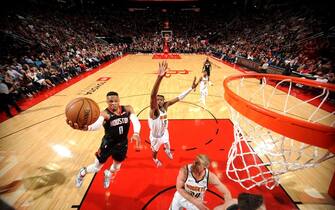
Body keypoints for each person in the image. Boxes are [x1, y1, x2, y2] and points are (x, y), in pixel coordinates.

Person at [67, 91, 141, 188]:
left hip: (122, 143)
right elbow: (97, 125)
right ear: (107, 102)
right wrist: (87, 128)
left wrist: (136, 133)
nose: (113, 103)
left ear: (119, 100)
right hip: (108, 144)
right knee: (97, 168)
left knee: (117, 167)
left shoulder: (127, 109)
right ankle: (82, 173)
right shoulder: (104, 113)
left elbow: (135, 121)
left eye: (115, 101)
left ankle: (108, 174)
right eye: (110, 101)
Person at [149, 61, 198, 167]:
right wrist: (159, 78)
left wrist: (191, 88)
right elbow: (153, 95)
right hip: (155, 136)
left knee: (167, 143)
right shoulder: (154, 110)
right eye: (157, 100)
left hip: (164, 131)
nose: (159, 101)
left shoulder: (165, 106)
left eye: (161, 100)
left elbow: (179, 97)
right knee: (155, 151)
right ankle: (155, 159)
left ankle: (167, 151)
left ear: (164, 101)